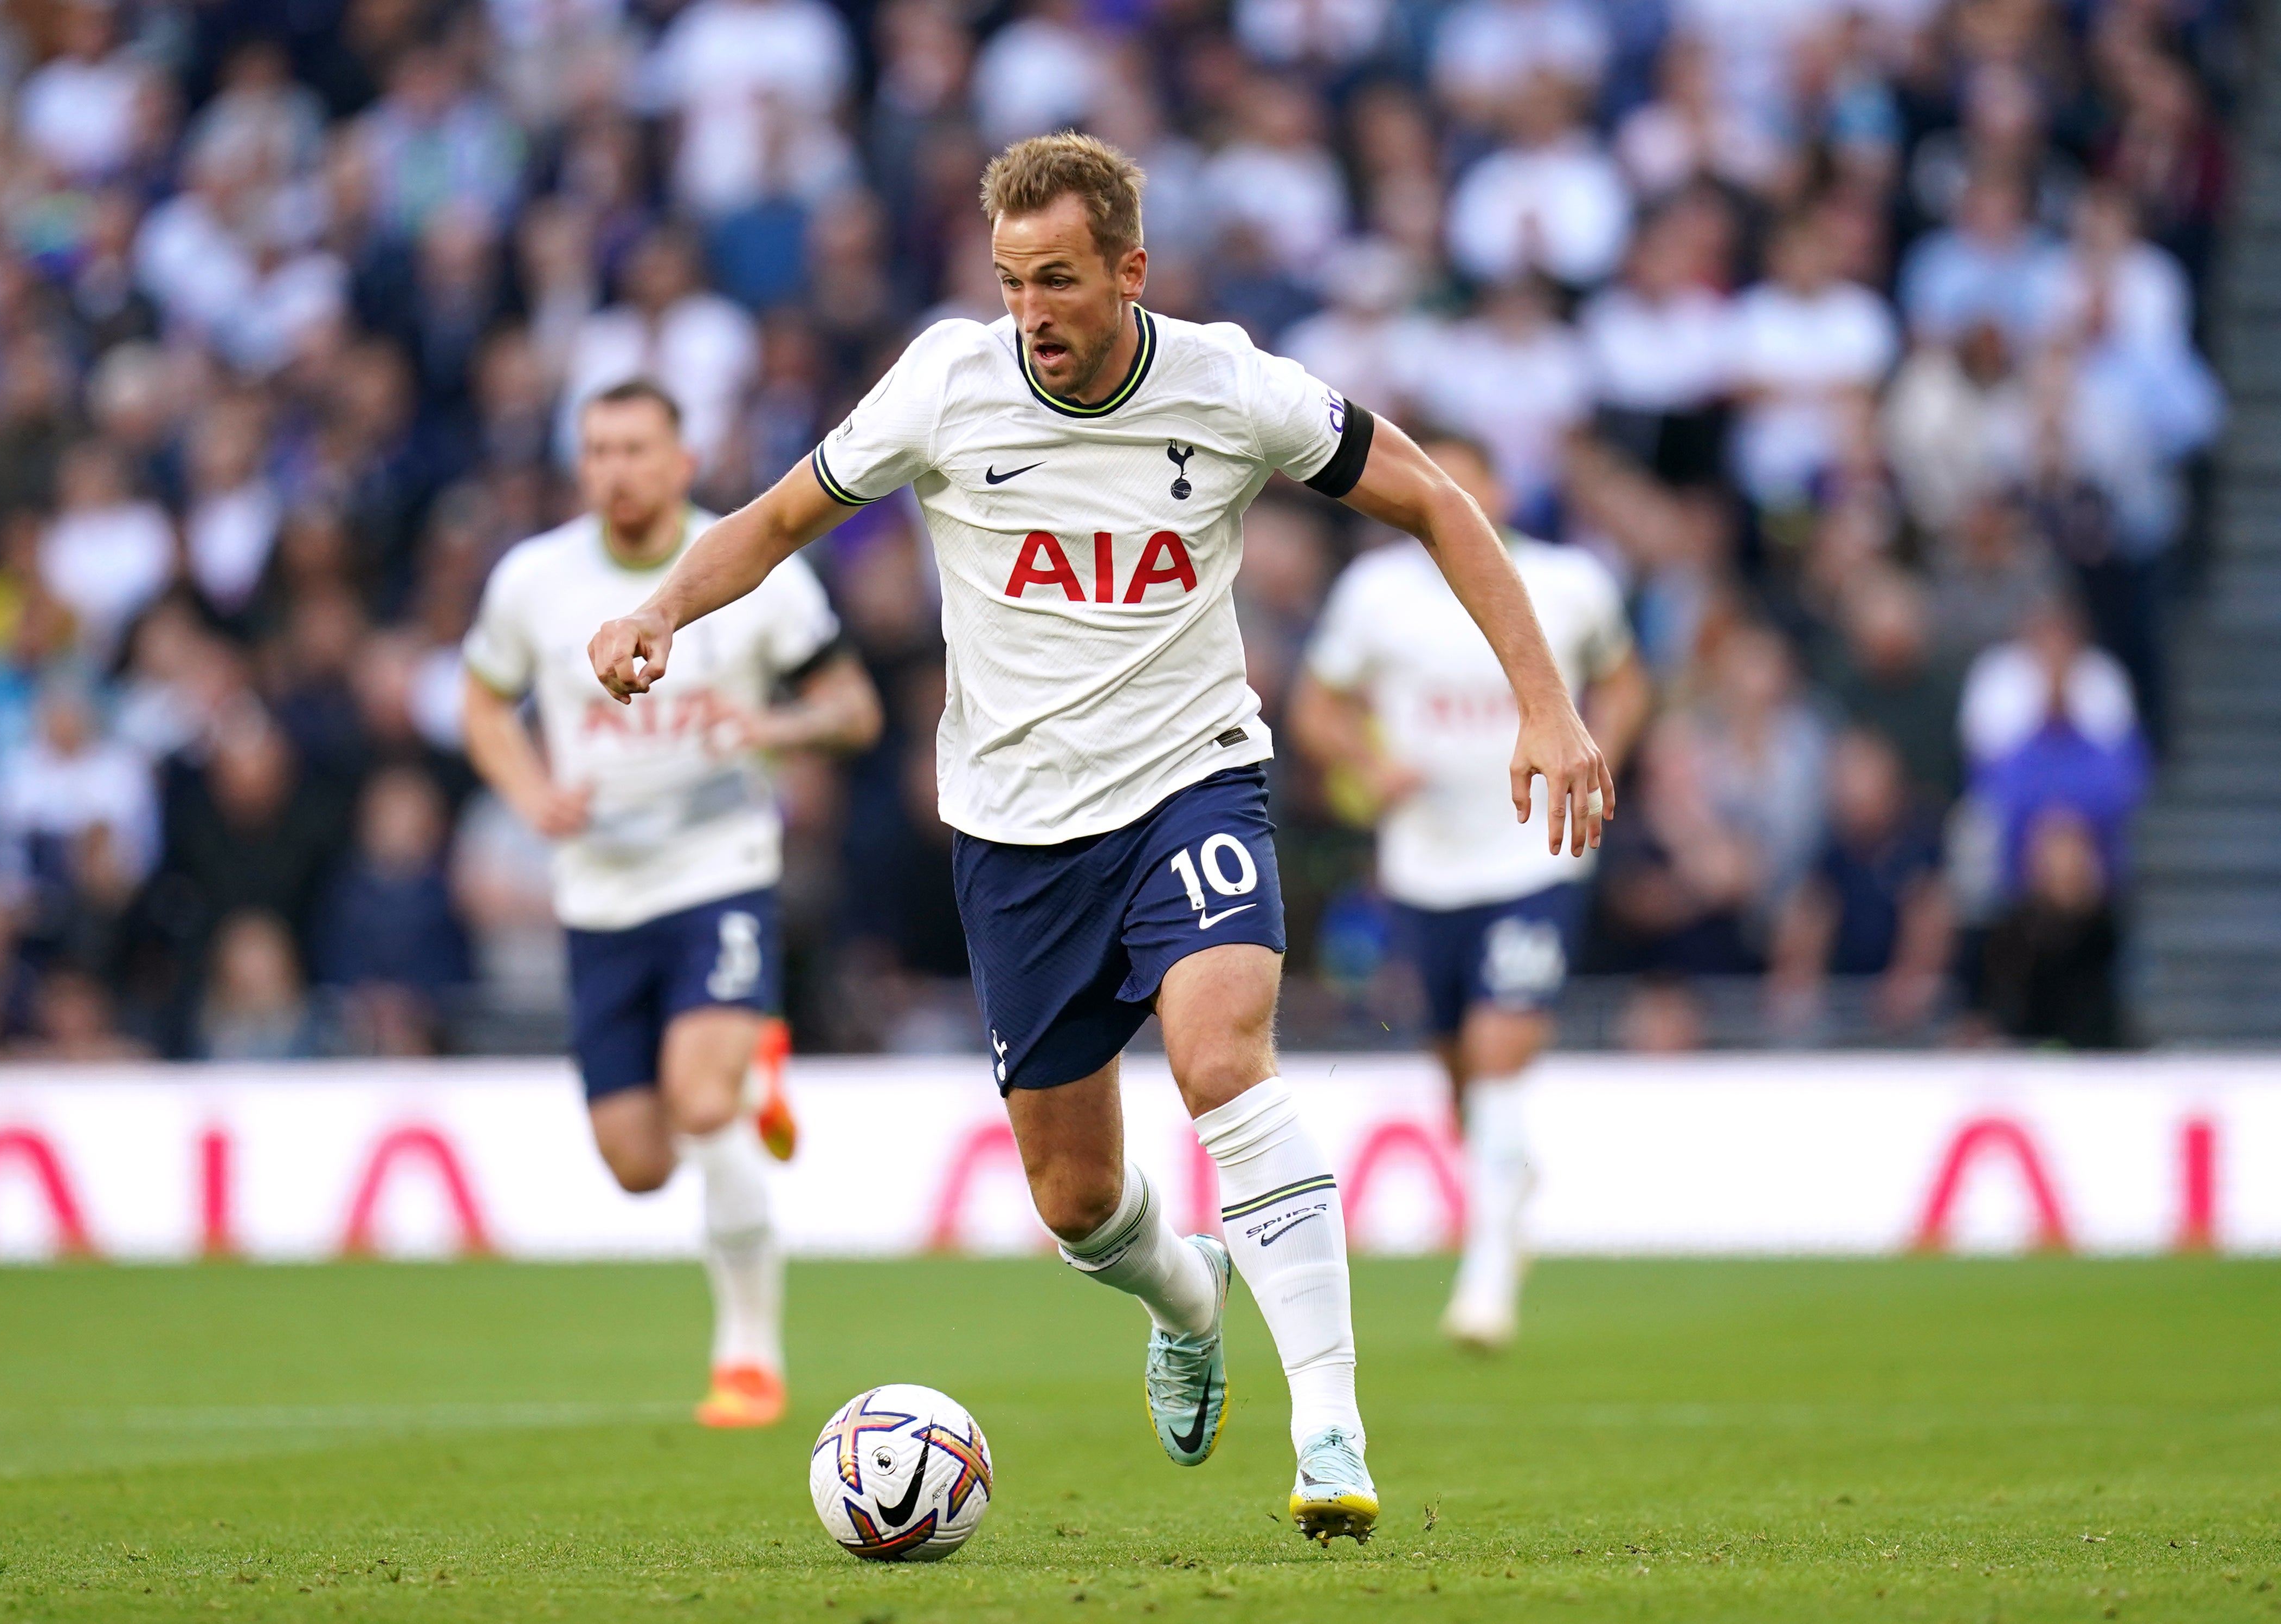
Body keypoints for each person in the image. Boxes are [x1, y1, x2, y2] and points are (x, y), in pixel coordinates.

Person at [587, 134, 1612, 1542]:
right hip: (1016, 833)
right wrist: (660, 613)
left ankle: (1329, 1418)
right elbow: (771, 521)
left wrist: (1546, 704)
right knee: (1076, 1196)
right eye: (1012, 281)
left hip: (1194, 781)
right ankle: (1186, 1296)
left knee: (1221, 1052)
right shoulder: (946, 383)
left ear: (1131, 269)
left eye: (1059, 279)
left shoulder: (1231, 383)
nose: (1033, 313)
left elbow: (1434, 499)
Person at [463, 379, 881, 1429]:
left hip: (719, 870)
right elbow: (481, 698)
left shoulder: (746, 574)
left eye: (637, 447)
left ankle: (748, 1355)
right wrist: (526, 792)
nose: (617, 467)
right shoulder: (535, 580)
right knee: (639, 1163)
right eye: (599, 448)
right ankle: (756, 1063)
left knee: (700, 1103)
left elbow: (856, 712)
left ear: (683, 462)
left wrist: (771, 730)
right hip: (599, 893)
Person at [1291, 434, 1647, 1350]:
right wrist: (1372, 769)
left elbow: (1623, 680)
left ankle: (1489, 1275)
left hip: (1534, 857)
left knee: (1499, 1047)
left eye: (1466, 472)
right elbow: (1318, 709)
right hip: (1425, 864)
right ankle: (1507, 1174)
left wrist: (1594, 757)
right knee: (1458, 1070)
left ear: (1500, 483)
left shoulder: (1572, 582)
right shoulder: (1375, 595)